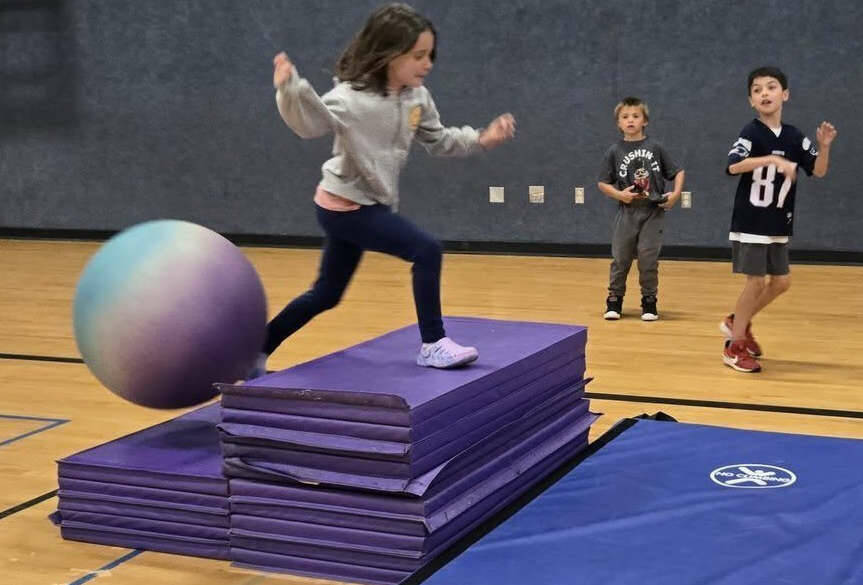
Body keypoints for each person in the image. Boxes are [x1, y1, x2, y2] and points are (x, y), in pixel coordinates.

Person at [250, 3, 516, 377]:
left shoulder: (416, 97)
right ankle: (433, 343)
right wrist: (290, 90)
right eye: (418, 56)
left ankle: (255, 350)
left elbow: (438, 140)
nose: (428, 64)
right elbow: (310, 123)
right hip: (343, 205)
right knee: (426, 250)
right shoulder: (350, 98)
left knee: (327, 293)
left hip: (369, 203)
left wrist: (482, 139)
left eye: (430, 55)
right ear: (389, 55)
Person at [721, 66, 837, 372]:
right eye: (757, 90)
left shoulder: (795, 136)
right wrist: (771, 159)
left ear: (784, 94)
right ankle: (734, 345)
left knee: (781, 282)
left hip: (777, 224)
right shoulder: (750, 132)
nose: (764, 93)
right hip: (751, 223)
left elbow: (819, 170)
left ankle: (737, 322)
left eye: (771, 87)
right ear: (751, 100)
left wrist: (824, 147)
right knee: (756, 281)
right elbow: (733, 166)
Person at [597, 97, 685, 321]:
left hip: (653, 211)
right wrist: (619, 194)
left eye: (635, 116)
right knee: (621, 258)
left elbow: (678, 172)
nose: (630, 120)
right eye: (625, 117)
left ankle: (649, 301)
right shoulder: (614, 151)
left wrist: (675, 195)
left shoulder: (655, 147)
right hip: (627, 212)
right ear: (618, 123)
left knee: (648, 259)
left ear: (645, 120)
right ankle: (614, 300)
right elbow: (602, 183)